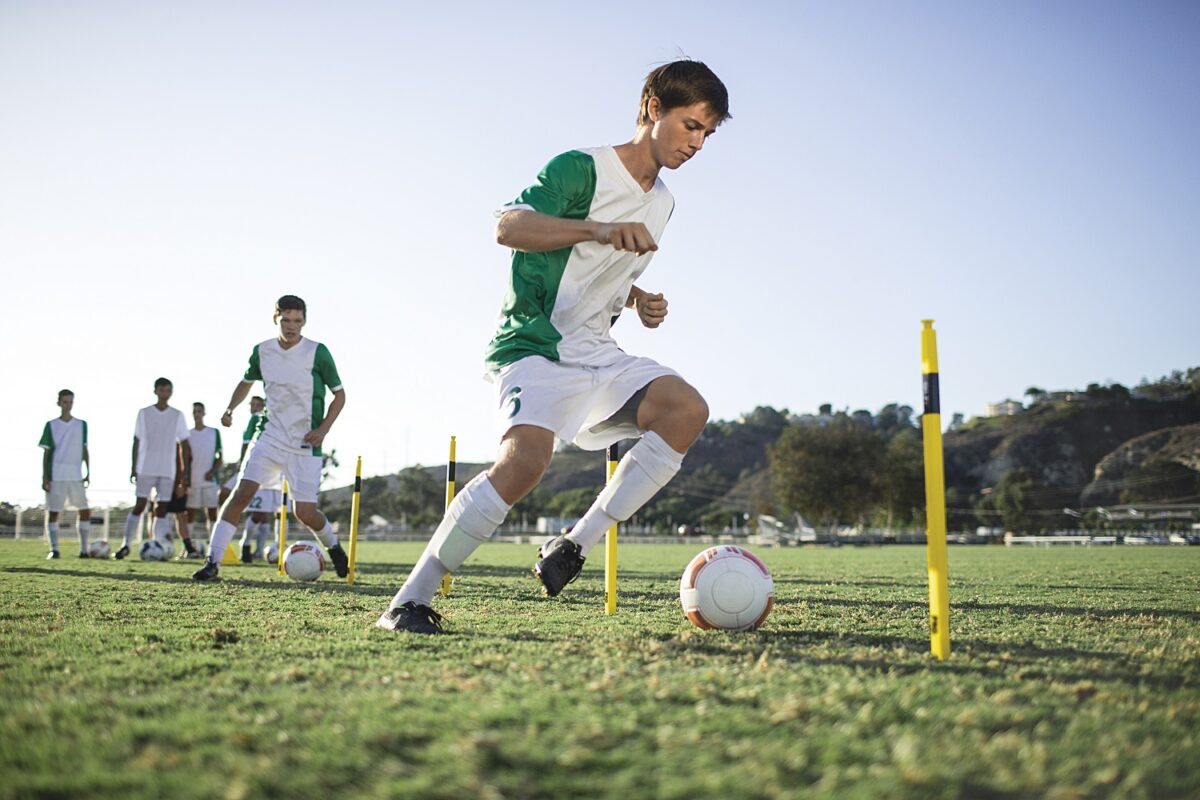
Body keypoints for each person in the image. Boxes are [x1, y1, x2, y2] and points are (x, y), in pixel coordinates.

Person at [377, 59, 730, 634]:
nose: (698, 143)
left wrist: (635, 297)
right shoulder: (580, 169)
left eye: (708, 133)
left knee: (686, 409)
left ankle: (574, 544)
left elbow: (599, 269)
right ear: (652, 109)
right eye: (691, 125)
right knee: (525, 463)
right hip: (534, 341)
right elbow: (510, 228)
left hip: (597, 349)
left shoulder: (663, 202)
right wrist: (596, 227)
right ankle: (408, 602)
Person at [192, 295, 348, 580]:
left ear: (304, 321)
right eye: (286, 320)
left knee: (305, 513)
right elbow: (246, 381)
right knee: (241, 494)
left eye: (297, 321)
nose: (291, 327)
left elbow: (340, 395)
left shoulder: (318, 352)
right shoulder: (262, 351)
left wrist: (323, 429)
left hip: (305, 443)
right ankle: (212, 562)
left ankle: (335, 548)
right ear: (275, 319)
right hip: (270, 437)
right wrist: (230, 409)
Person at [116, 378, 190, 559]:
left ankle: (159, 544)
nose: (165, 393)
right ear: (155, 391)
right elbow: (137, 440)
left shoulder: (177, 415)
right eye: (162, 390)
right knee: (140, 504)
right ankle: (125, 544)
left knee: (162, 507)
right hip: (146, 466)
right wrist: (133, 467)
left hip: (167, 468)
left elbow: (185, 444)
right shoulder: (144, 413)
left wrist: (184, 473)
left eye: (168, 390)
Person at [39, 389, 92, 559]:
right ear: (59, 403)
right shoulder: (51, 425)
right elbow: (46, 453)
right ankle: (54, 549)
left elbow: (84, 448)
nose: (68, 405)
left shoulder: (81, 424)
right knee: (54, 512)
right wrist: (45, 476)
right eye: (65, 402)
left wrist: (88, 471)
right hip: (57, 475)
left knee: (84, 510)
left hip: (76, 475)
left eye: (70, 402)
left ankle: (84, 550)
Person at [181, 402, 222, 558]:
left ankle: (213, 547)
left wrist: (212, 471)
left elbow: (219, 457)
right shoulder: (187, 434)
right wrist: (185, 478)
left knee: (212, 513)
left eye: (199, 411)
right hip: (192, 481)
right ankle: (188, 548)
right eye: (194, 411)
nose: (197, 414)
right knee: (189, 514)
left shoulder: (214, 432)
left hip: (210, 482)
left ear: (204, 413)